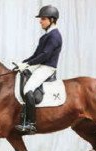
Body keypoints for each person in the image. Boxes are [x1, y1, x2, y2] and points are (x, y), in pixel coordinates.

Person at [15, 5, 62, 133]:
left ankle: (31, 124)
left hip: (47, 68)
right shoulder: (46, 36)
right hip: (40, 65)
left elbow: (45, 55)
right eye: (41, 19)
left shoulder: (54, 36)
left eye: (43, 19)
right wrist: (22, 63)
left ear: (52, 20)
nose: (40, 21)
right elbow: (36, 55)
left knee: (28, 89)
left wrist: (29, 63)